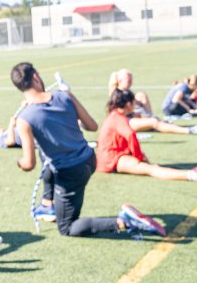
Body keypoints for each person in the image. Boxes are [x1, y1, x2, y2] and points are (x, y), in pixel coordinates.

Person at [12, 62, 167, 238]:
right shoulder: (65, 96)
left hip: (70, 172)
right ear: (35, 77)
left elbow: (29, 164)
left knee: (67, 228)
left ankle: (124, 221)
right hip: (88, 159)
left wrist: (19, 162)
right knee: (51, 168)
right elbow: (92, 126)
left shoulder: (24, 119)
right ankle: (49, 204)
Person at [97, 89, 197, 184]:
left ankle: (193, 174)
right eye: (134, 102)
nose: (135, 105)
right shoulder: (118, 118)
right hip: (111, 160)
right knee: (152, 169)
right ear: (128, 104)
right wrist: (139, 157)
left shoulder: (116, 115)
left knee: (151, 167)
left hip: (113, 156)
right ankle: (194, 175)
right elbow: (131, 136)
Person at [108, 68, 197, 135]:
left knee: (142, 96)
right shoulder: (116, 94)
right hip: (125, 123)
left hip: (132, 119)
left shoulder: (127, 92)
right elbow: (118, 113)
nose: (131, 83)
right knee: (154, 122)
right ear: (120, 80)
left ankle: (154, 118)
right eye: (128, 81)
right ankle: (189, 130)